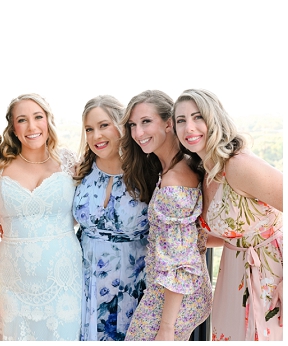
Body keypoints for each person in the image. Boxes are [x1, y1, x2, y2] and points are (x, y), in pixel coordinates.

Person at [173, 89, 282, 341]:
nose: (189, 127)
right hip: (233, 276)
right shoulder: (204, 172)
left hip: (272, 272)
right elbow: (229, 234)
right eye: (181, 120)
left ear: (215, 120)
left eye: (197, 117)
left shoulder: (238, 165)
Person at [123, 90, 211, 341]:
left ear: (169, 124)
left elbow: (180, 262)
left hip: (173, 296)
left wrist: (167, 328)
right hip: (173, 291)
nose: (138, 133)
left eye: (146, 122)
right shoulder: (173, 168)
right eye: (132, 125)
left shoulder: (174, 182)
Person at [0, 93, 82, 340]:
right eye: (22, 120)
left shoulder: (69, 162)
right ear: (13, 127)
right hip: (13, 279)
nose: (32, 127)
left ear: (48, 120)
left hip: (63, 277)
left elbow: (88, 208)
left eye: (38, 117)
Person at [73, 95, 149, 340]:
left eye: (104, 125)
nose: (96, 136)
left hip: (135, 284)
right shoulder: (80, 171)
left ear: (121, 126)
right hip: (85, 284)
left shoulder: (147, 170)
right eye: (89, 129)